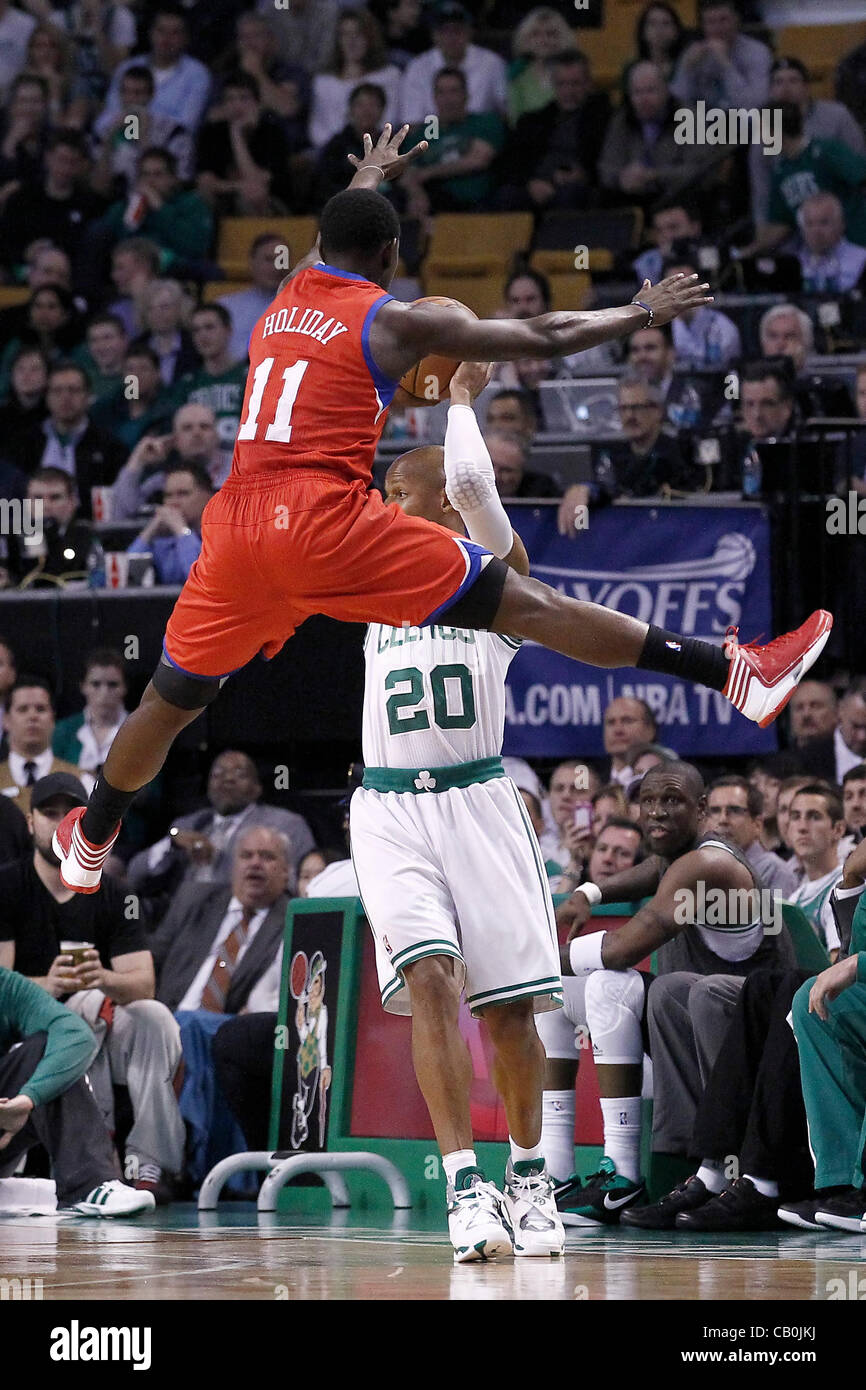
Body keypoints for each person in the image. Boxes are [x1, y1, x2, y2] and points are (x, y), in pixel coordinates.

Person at [51, 125, 833, 898]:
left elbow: (347, 227)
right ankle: (731, 672)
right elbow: (545, 332)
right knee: (529, 602)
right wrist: (641, 313)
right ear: (391, 259)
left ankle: (90, 840)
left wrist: (368, 175)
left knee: (170, 701)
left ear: (321, 247)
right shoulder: (396, 322)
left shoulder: (286, 297)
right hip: (322, 519)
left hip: (235, 522)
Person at [351, 360, 565, 1260]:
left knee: (509, 1013)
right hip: (391, 809)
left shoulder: (497, 578)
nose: (383, 503)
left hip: (480, 802)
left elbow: (473, 479)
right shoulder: (369, 581)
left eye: (397, 490)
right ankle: (464, 1188)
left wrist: (461, 401)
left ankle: (529, 1176)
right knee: (431, 979)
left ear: (439, 501)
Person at [547, 760, 795, 1222]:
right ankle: (556, 1173)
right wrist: (590, 893)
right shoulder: (677, 857)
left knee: (615, 984)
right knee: (557, 993)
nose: (657, 812)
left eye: (672, 801)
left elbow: (620, 950)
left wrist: (528, 959)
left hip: (756, 1050)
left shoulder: (709, 864)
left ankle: (625, 1177)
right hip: (696, 1046)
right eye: (648, 802)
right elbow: (650, 870)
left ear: (701, 809)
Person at [0, 772, 185, 1204]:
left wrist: (101, 976)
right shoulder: (8, 885)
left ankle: (148, 1161)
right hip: (27, 1034)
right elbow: (4, 989)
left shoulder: (116, 893)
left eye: (71, 814)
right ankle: (99, 1155)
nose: (60, 822)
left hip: (87, 1018)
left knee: (154, 1016)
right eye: (50, 813)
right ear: (30, 823)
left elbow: (143, 985)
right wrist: (51, 982)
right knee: (82, 1009)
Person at [148, 824, 291, 1184]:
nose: (255, 865)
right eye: (246, 856)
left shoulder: (291, 915)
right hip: (172, 1014)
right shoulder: (197, 900)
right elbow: (151, 957)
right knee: (170, 1023)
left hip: (229, 1023)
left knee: (191, 1026)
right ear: (232, 866)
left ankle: (173, 1162)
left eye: (268, 857)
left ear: (286, 870)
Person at [0, 964, 154, 1218]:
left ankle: (89, 1185)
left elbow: (75, 1034)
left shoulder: (6, 984)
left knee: (47, 1048)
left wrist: (26, 1100)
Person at [126, 748, 313, 920]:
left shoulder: (285, 824)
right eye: (218, 774)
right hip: (185, 921)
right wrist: (170, 844)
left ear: (257, 788)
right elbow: (135, 874)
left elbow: (301, 885)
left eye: (239, 774)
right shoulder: (187, 824)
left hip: (248, 917)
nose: (227, 779)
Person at [749, 57, 866, 229]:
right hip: (790, 219)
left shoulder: (837, 116)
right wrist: (762, 230)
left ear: (806, 86)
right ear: (770, 90)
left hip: (842, 214)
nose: (785, 88)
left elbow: (860, 161)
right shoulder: (764, 129)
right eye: (778, 82)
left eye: (793, 80)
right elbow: (762, 191)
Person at [597, 61, 727, 210]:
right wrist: (621, 178)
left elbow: (701, 171)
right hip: (630, 196)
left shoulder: (690, 118)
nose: (643, 99)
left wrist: (654, 176)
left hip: (676, 198)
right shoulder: (622, 120)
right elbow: (606, 167)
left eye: (650, 91)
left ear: (666, 90)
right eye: (637, 92)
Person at [496, 50, 611, 212]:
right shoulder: (532, 121)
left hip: (577, 187)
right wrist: (530, 182)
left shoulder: (605, 118)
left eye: (575, 83)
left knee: (571, 195)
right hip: (535, 183)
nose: (568, 91)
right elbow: (510, 162)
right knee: (507, 196)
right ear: (553, 84)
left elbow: (607, 162)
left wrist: (584, 175)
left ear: (588, 84)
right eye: (562, 84)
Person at [13, 363, 125, 515]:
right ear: (47, 397)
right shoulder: (24, 443)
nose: (65, 397)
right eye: (57, 391)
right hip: (30, 529)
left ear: (88, 396)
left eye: (73, 390)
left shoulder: (109, 446)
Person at [402, 66, 504, 217]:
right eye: (441, 92)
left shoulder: (484, 122)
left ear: (466, 95)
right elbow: (407, 174)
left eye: (454, 91)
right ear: (434, 97)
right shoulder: (426, 131)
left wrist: (429, 172)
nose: (447, 99)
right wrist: (416, 194)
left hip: (477, 202)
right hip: (434, 203)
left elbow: (478, 159)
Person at [196, 70, 296, 217]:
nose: (237, 105)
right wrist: (239, 186)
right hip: (225, 200)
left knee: (250, 199)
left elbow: (258, 189)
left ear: (257, 103)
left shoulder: (272, 133)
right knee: (199, 200)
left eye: (244, 98)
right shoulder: (211, 133)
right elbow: (205, 183)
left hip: (272, 205)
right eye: (230, 99)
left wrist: (236, 134)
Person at [101, 5, 211, 135]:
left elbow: (186, 125)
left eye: (175, 33)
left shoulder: (197, 74)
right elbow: (107, 117)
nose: (166, 39)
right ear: (151, 33)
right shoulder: (127, 67)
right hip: (122, 141)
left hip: (168, 149)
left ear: (186, 38)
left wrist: (142, 124)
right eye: (161, 31)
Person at [308, 7, 401, 153]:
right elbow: (318, 130)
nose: (352, 41)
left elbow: (390, 120)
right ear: (338, 40)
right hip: (333, 153)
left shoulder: (389, 76)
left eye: (358, 34)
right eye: (345, 34)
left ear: (370, 38)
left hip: (377, 150)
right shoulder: (323, 82)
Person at [399, 2, 507, 126]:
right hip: (433, 133)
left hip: (480, 133)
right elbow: (412, 122)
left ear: (469, 32)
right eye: (444, 31)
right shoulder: (417, 67)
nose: (451, 37)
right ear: (434, 35)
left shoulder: (492, 63)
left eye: (457, 30)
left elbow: (505, 113)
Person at [0, 677, 90, 812]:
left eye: (40, 709)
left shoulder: (82, 781)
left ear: (53, 718)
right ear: (6, 719)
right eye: (23, 709)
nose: (32, 716)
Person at [704, 775, 799, 899]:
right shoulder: (699, 868)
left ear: (757, 825)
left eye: (734, 810)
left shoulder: (775, 871)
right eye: (715, 811)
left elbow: (778, 918)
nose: (723, 820)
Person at [670, 0, 771, 110]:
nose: (718, 28)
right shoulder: (694, 52)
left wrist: (725, 64)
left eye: (723, 20)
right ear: (703, 26)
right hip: (704, 121)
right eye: (711, 22)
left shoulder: (757, 52)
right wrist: (687, 69)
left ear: (736, 20)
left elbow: (755, 103)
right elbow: (676, 102)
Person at [6, 467, 97, 588]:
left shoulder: (90, 538)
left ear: (72, 502)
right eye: (38, 498)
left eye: (55, 497)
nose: (46, 505)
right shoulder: (10, 539)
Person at [178, 305, 249, 452]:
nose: (203, 336)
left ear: (228, 330)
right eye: (196, 330)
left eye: (209, 327)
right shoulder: (186, 384)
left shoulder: (250, 377)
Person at [126, 463, 211, 586]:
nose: (174, 502)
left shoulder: (225, 538)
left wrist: (182, 531)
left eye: (183, 493)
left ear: (208, 497)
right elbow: (126, 577)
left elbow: (202, 581)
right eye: (168, 496)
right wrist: (148, 533)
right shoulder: (162, 541)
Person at [53, 648, 129, 777]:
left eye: (112, 685)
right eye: (96, 684)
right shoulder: (63, 731)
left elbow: (152, 788)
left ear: (124, 687)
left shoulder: (141, 730)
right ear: (83, 686)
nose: (104, 693)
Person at [217, 231, 285, 363]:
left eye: (281, 260)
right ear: (252, 262)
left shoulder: (301, 308)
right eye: (269, 259)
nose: (276, 267)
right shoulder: (225, 306)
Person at [797, 193, 866, 294]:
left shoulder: (862, 260)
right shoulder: (793, 264)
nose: (816, 231)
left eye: (824, 222)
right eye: (809, 223)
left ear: (841, 224)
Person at [487, 429, 560, 500]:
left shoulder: (542, 491)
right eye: (489, 466)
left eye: (506, 470)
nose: (495, 476)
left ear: (521, 472)